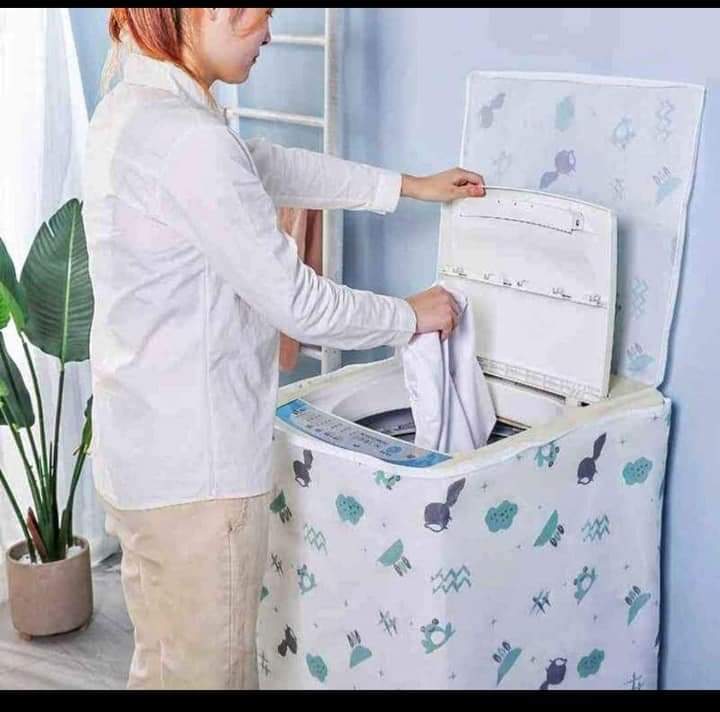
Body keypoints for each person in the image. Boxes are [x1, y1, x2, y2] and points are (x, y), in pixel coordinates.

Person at [83, 7, 486, 690]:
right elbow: (298, 303)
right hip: (198, 481)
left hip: (140, 464)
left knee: (161, 665)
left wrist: (405, 186)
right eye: (263, 14)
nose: (269, 33)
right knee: (209, 677)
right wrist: (408, 316)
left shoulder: (130, 111)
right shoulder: (190, 143)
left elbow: (264, 165)